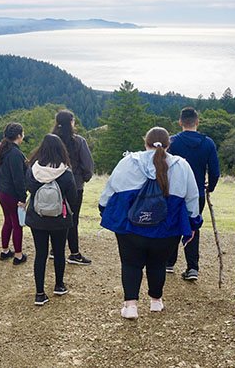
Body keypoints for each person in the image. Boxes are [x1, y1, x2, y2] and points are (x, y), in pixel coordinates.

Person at [99, 127, 199, 319]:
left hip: (130, 227)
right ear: (168, 145)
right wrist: (193, 224)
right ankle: (156, 302)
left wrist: (104, 210)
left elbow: (109, 192)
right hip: (167, 228)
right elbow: (192, 199)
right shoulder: (182, 165)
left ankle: (130, 307)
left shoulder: (128, 162)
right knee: (158, 263)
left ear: (145, 143)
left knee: (130, 264)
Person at [24, 134, 79, 306]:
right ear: (61, 150)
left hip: (37, 217)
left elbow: (28, 189)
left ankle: (39, 294)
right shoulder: (66, 173)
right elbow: (73, 197)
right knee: (59, 251)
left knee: (40, 253)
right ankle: (59, 285)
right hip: (59, 219)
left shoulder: (33, 170)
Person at [166, 107, 219, 281]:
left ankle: (168, 263)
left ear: (180, 122)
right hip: (196, 193)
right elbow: (214, 171)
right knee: (193, 227)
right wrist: (209, 187)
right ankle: (192, 268)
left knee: (172, 224)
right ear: (197, 122)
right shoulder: (208, 143)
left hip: (174, 193)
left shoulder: (172, 142)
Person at [51, 110, 94, 265]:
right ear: (71, 122)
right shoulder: (78, 141)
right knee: (72, 219)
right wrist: (84, 178)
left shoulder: (52, 141)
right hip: (75, 186)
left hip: (53, 185)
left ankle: (54, 250)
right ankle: (74, 253)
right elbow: (88, 165)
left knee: (55, 215)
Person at [0, 123, 28, 265]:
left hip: (1, 190)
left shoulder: (2, 148)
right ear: (19, 136)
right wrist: (22, 198)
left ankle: (5, 251)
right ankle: (18, 255)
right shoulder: (15, 153)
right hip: (11, 193)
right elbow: (18, 178)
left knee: (8, 221)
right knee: (17, 223)